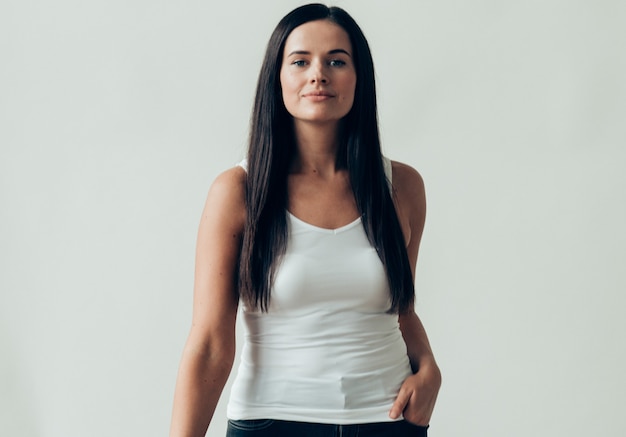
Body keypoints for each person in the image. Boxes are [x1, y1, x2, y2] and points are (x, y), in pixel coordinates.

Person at [169, 4, 441, 436]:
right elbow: (209, 345)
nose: (319, 74)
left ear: (359, 78)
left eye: (337, 60)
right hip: (272, 420)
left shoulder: (402, 187)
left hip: (388, 421)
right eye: (300, 61)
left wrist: (429, 367)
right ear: (278, 77)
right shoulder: (237, 192)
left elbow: (400, 306)